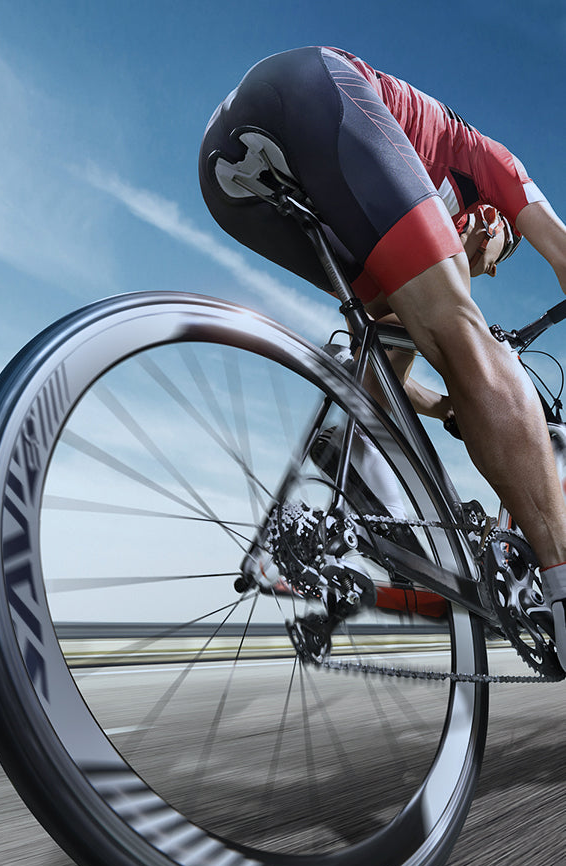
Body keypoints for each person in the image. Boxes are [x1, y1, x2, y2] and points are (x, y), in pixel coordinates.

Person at [198, 45, 566, 666]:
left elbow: (394, 372)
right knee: (459, 326)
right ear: (492, 221)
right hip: (320, 91)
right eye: (500, 253)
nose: (491, 266)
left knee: (392, 330)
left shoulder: (400, 213)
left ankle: (360, 461)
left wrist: (450, 402)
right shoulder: (486, 162)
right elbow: (560, 250)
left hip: (227, 170)